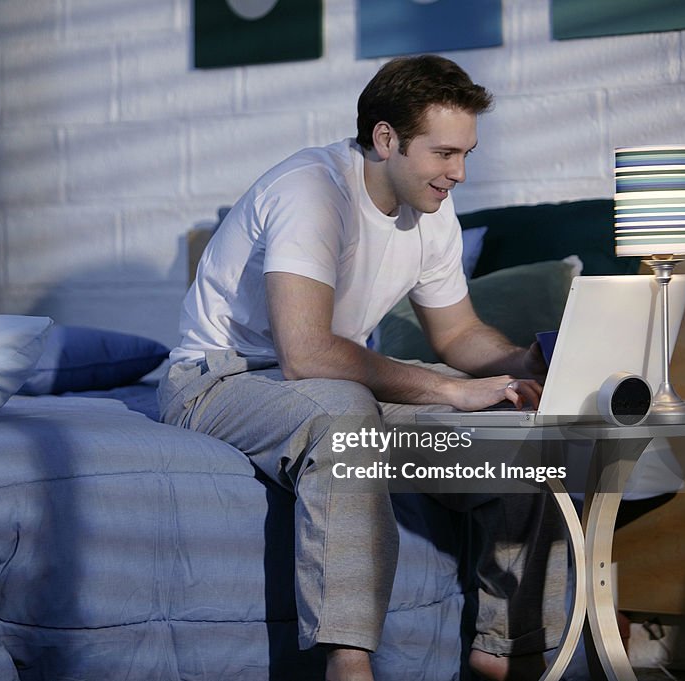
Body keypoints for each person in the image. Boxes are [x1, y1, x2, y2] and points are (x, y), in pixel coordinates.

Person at [159, 55, 566, 681]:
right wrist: (448, 391)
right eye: (444, 154)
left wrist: (523, 363)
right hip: (221, 378)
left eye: (466, 154)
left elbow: (457, 333)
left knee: (517, 436)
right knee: (348, 420)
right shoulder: (312, 191)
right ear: (385, 139)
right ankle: (349, 664)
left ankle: (507, 651)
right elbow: (308, 353)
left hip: (329, 380)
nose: (457, 173)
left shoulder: (431, 209)